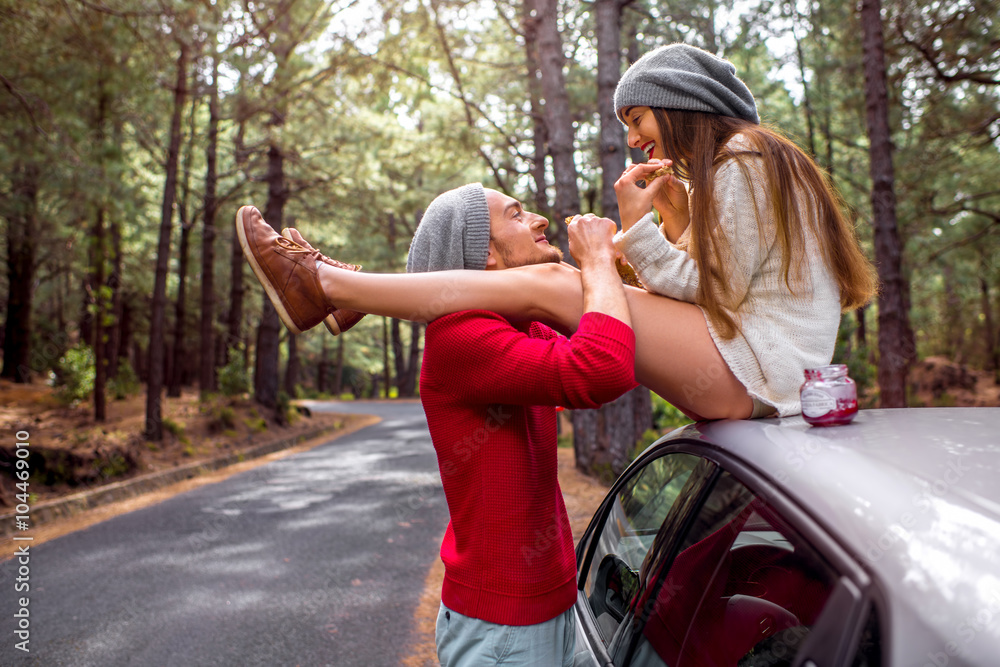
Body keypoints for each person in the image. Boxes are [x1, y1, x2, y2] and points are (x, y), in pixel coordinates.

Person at [236, 43, 876, 422]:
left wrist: (637, 228)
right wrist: (668, 223)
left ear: (682, 104)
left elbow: (707, 288)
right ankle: (345, 294)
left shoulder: (747, 163)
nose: (630, 138)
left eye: (638, 116)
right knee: (564, 282)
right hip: (760, 368)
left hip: (756, 371)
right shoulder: (752, 165)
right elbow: (715, 285)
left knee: (553, 282)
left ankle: (326, 284)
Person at [237, 184, 637, 666]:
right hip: (504, 632)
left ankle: (332, 286)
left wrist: (626, 241)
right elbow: (603, 367)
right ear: (484, 254)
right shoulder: (461, 337)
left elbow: (614, 334)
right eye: (516, 215)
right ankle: (321, 283)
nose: (539, 220)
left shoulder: (516, 326)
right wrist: (595, 261)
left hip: (549, 606)